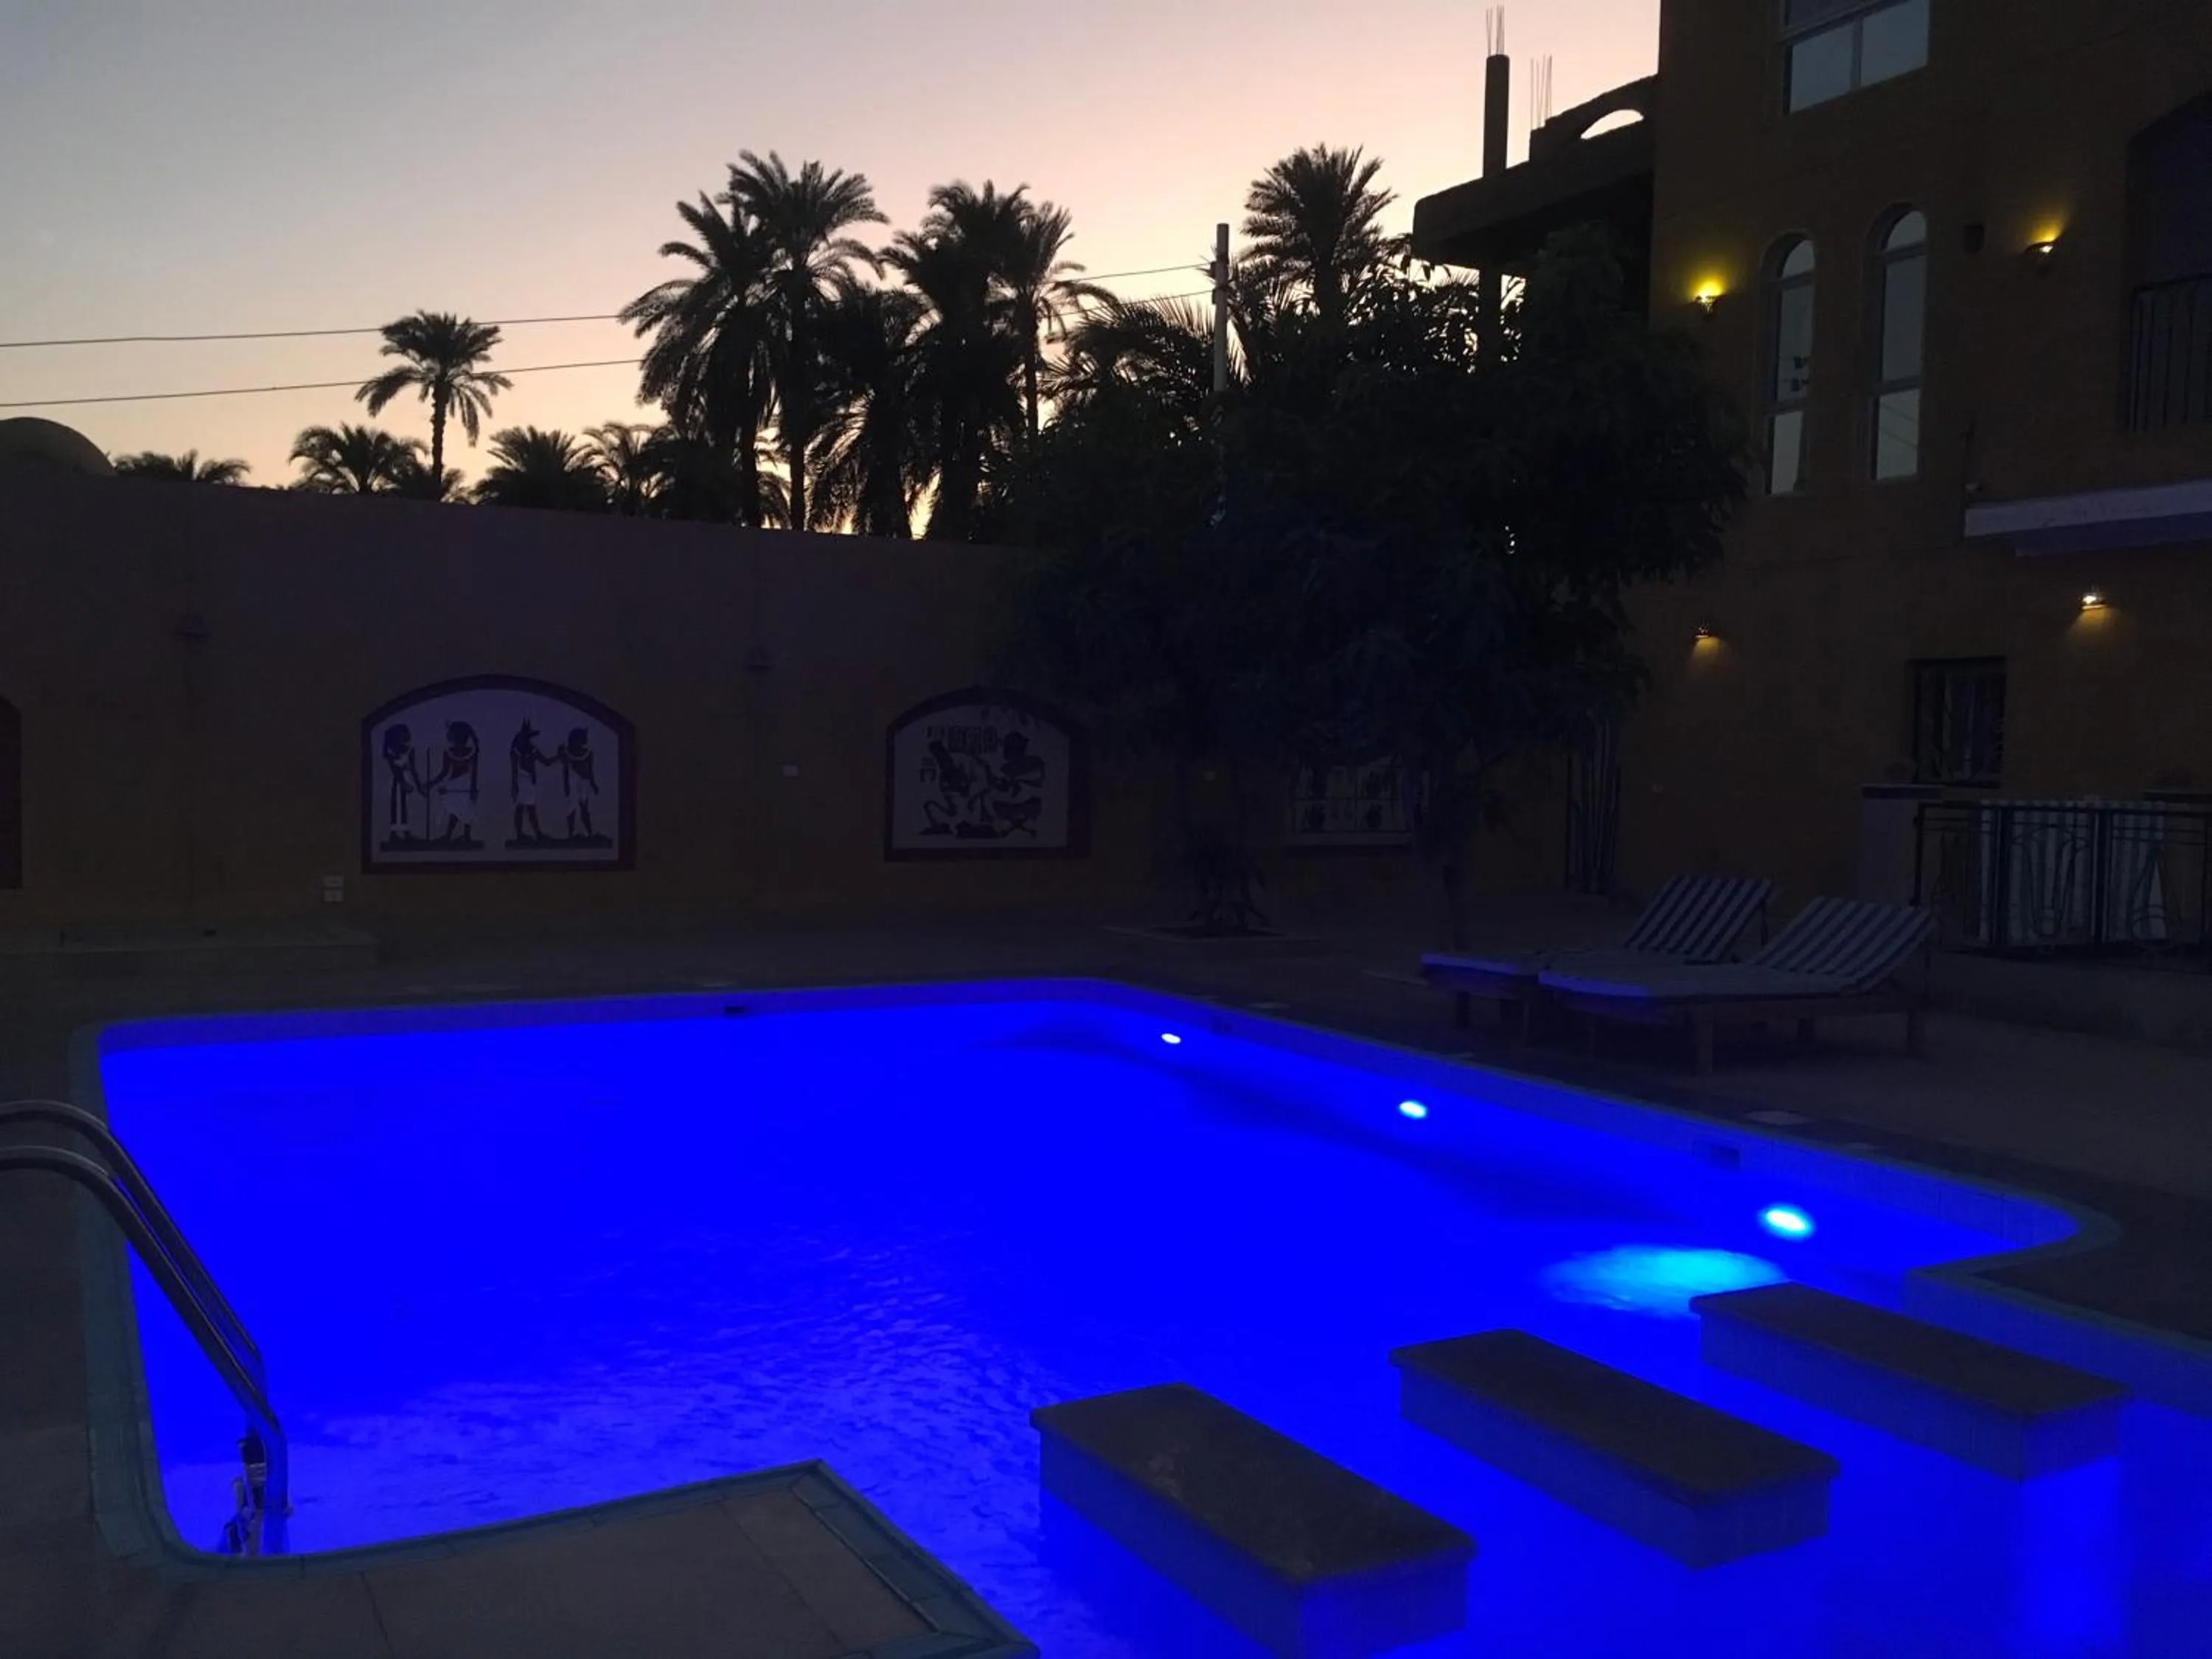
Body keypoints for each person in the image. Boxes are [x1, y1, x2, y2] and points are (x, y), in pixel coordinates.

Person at [422, 720, 481, 844]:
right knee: (456, 811)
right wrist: (432, 783)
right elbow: (445, 772)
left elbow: (474, 772)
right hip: (456, 784)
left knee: (466, 811)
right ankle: (451, 836)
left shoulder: (471, 753)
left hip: (464, 785)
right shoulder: (451, 752)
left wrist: (473, 788)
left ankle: (464, 836)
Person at [508, 719, 550, 845]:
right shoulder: (516, 751)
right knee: (524, 808)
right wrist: (515, 786)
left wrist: (559, 757)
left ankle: (535, 833)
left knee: (527, 808)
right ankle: (526, 834)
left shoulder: (532, 749)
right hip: (522, 779)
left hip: (529, 781)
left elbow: (546, 762)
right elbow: (514, 770)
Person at [380, 723, 422, 844]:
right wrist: (403, 783)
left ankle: (406, 833)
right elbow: (394, 769)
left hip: (407, 780)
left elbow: (413, 769)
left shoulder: (409, 749)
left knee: (406, 807)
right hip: (397, 782)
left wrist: (419, 786)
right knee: (397, 806)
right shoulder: (391, 750)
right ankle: (395, 834)